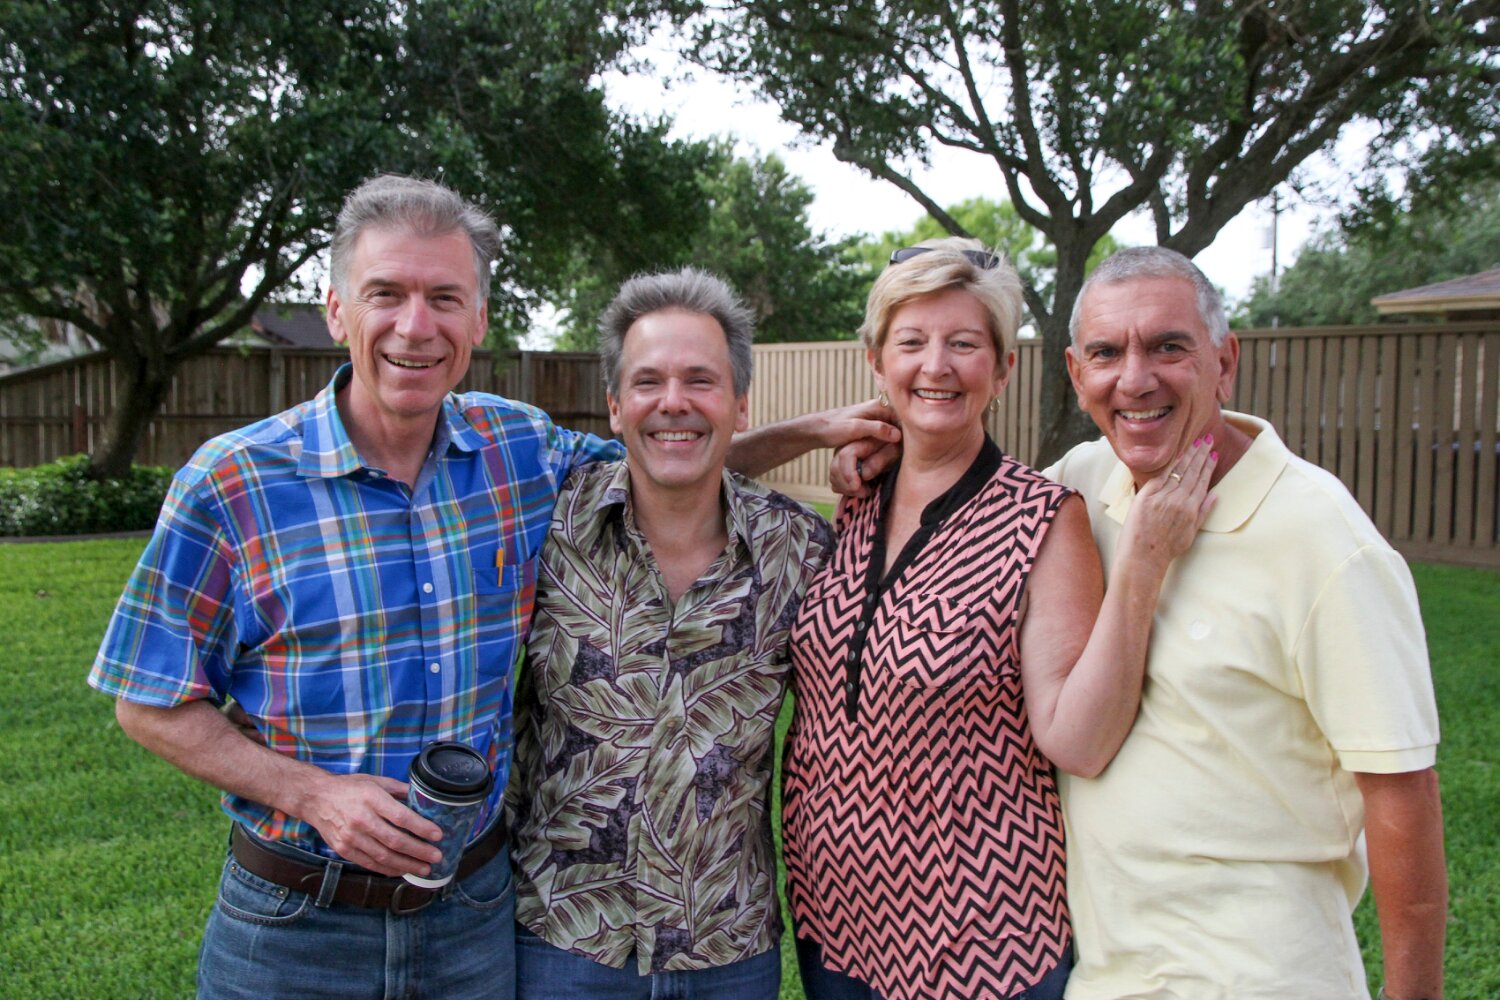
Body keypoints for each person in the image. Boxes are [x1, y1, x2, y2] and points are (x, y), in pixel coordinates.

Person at [86, 175, 898, 1000]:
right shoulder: (233, 483)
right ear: (335, 310)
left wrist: (821, 432)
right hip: (295, 921)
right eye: (385, 293)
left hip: (470, 920)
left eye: (445, 297)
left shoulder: (518, 454)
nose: (416, 325)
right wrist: (314, 795)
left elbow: (667, 462)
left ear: (477, 318)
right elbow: (147, 700)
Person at [783, 238, 1212, 1000]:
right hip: (835, 925)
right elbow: (674, 476)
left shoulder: (1043, 520)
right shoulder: (857, 499)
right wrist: (820, 433)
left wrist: (1142, 568)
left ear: (1003, 369)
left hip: (983, 940)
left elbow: (1079, 741)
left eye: (964, 344)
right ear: (877, 362)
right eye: (911, 343)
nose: (937, 366)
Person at [1047, 246, 1446, 1000]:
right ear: (1076, 372)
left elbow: (1402, 792)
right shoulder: (1081, 483)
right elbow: (961, 520)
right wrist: (861, 459)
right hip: (1107, 975)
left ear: (1224, 361)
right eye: (1106, 353)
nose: (1135, 379)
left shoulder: (1324, 539)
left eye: (1169, 347)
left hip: (1262, 975)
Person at [507, 268, 832, 998]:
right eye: (648, 381)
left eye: (700, 381)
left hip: (727, 947)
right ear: (615, 405)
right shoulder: (546, 525)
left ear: (740, 405)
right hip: (564, 942)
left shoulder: (801, 549)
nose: (674, 402)